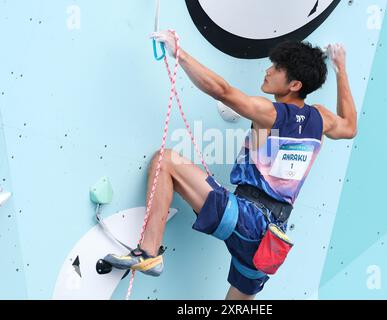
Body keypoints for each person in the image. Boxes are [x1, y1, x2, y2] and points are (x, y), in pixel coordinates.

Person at [104, 30, 357, 300]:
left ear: (294, 84)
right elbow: (350, 127)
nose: (268, 71)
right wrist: (341, 69)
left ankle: (149, 252)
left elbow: (222, 91)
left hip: (246, 219)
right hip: (271, 240)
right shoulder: (322, 118)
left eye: (277, 68)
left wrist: (179, 53)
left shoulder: (270, 113)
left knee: (164, 160)